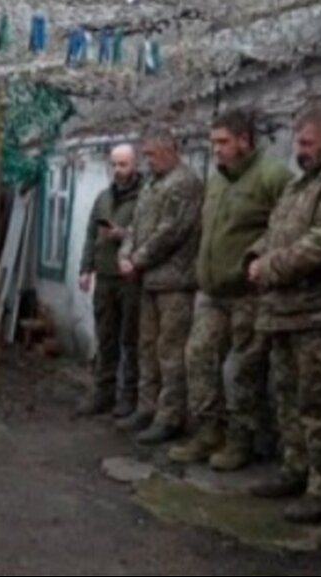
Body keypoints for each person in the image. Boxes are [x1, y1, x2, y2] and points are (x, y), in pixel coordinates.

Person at [243, 104, 321, 525]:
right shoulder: (301, 185)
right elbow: (278, 230)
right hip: (282, 312)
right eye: (298, 141)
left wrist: (268, 267)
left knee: (320, 405)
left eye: (308, 142)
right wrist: (256, 253)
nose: (300, 149)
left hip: (315, 315)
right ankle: (296, 470)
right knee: (288, 398)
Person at [169, 108, 291, 470]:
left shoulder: (272, 177)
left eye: (222, 142)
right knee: (198, 357)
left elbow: (286, 226)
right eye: (212, 142)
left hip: (247, 295)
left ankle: (241, 440)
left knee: (242, 371)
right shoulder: (217, 180)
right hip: (212, 291)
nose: (216, 149)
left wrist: (258, 254)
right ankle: (209, 431)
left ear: (244, 140)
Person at [116, 129, 203, 439]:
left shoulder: (185, 183)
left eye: (152, 155)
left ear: (170, 151)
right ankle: (146, 407)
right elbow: (135, 227)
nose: (147, 161)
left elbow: (171, 232)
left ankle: (169, 416)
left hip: (174, 282)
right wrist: (125, 253)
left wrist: (136, 259)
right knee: (147, 347)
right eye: (145, 155)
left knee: (170, 351)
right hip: (148, 281)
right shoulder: (151, 185)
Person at [76, 143, 143, 418]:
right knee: (105, 336)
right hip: (104, 275)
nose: (118, 170)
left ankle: (129, 396)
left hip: (130, 278)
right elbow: (92, 233)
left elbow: (148, 233)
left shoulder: (144, 198)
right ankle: (103, 392)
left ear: (135, 164)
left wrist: (122, 235)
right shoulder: (104, 197)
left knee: (130, 337)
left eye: (123, 164)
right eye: (114, 164)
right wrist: (85, 268)